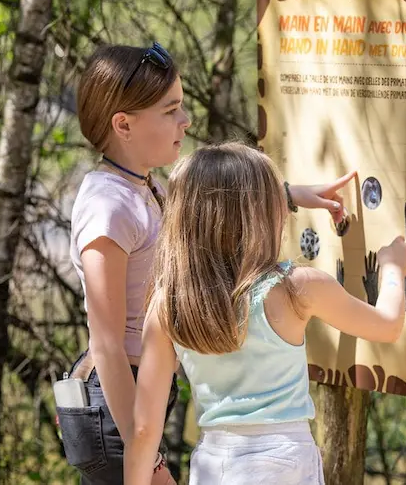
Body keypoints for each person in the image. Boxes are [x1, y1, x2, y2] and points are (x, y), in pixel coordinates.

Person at [58, 41, 355, 484]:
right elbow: (108, 348)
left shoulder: (143, 187)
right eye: (169, 110)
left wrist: (288, 195)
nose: (185, 120)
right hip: (118, 412)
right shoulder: (109, 209)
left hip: (140, 402)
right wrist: (151, 461)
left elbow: (208, 210)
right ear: (124, 124)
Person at [124, 143, 406, 484]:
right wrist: (393, 268)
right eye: (277, 202)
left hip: (215, 464)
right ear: (259, 216)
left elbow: (145, 429)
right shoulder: (296, 287)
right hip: (285, 459)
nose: (286, 211)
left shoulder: (168, 304)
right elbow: (387, 326)